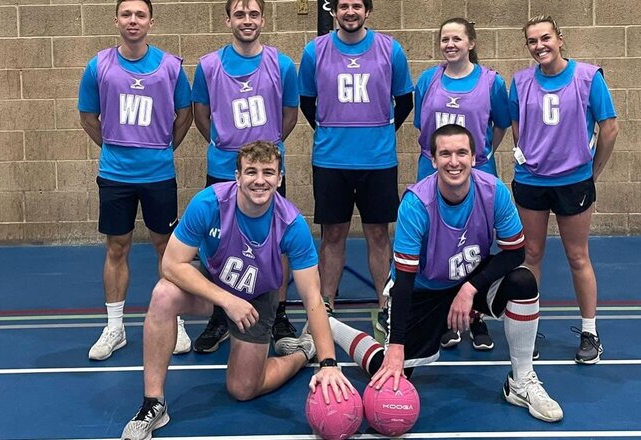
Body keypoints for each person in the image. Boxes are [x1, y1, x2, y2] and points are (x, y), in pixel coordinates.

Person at [328, 124, 563, 423]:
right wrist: (397, 347)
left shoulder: (492, 191)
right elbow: (404, 280)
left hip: (468, 278)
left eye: (462, 152)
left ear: (474, 157)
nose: (454, 161)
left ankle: (522, 381)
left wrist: (470, 289)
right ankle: (328, 326)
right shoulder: (416, 204)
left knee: (523, 281)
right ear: (433, 159)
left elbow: (515, 251)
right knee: (389, 371)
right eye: (446, 154)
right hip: (422, 288)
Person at [121, 141, 354, 440]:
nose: (259, 180)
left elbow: (312, 298)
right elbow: (170, 265)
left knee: (243, 389)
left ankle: (301, 352)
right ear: (237, 176)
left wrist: (329, 363)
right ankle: (154, 403)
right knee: (163, 294)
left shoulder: (291, 224)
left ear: (280, 178)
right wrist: (226, 300)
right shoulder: (209, 204)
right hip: (213, 284)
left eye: (268, 172)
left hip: (258, 298)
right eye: (251, 172)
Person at [78, 0, 193, 361]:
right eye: (126, 14)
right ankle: (115, 326)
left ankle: (174, 320)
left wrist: (159, 149)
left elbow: (185, 114)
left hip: (159, 174)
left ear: (151, 22)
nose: (133, 20)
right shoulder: (99, 66)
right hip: (115, 175)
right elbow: (88, 116)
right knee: (117, 247)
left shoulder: (171, 67)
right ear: (116, 20)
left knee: (167, 248)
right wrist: (116, 147)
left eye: (140, 15)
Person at [191, 0, 300, 354]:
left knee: (276, 244)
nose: (247, 20)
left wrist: (265, 151)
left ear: (263, 19)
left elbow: (290, 114)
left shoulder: (281, 64)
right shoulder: (208, 66)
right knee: (218, 246)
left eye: (253, 14)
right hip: (223, 169)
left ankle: (278, 312)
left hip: (266, 171)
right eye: (240, 14)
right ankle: (222, 314)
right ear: (228, 21)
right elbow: (202, 115)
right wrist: (228, 145)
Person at [509, 16, 619, 364]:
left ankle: (590, 332)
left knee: (577, 256)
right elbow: (516, 125)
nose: (539, 45)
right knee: (532, 256)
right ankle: (528, 327)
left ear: (560, 39)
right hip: (531, 181)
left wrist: (592, 171)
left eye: (545, 38)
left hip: (573, 182)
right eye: (532, 41)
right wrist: (529, 156)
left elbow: (610, 128)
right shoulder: (521, 81)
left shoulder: (588, 77)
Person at [298, 0, 414, 328]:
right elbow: (307, 101)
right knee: (332, 233)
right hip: (331, 160)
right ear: (333, 11)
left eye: (357, 5)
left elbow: (404, 99)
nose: (351, 11)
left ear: (368, 10)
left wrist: (381, 132)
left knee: (378, 233)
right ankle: (325, 305)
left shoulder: (390, 50)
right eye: (344, 5)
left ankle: (385, 303)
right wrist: (331, 130)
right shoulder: (314, 51)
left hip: (377, 161)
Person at [413, 17, 512, 351]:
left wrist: (478, 157)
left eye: (457, 38)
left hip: (476, 172)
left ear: (471, 42)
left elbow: (500, 125)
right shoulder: (428, 80)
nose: (450, 44)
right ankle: (442, 313)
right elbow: (421, 128)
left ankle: (476, 314)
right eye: (444, 39)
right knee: (434, 246)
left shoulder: (491, 82)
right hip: (433, 172)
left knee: (476, 244)